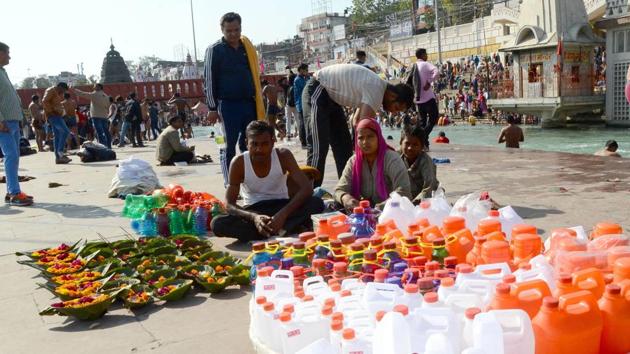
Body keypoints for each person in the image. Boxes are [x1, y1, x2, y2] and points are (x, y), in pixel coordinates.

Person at [211, 120, 324, 242]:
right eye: (254, 144)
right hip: (254, 210)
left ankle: (269, 230)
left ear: (273, 142)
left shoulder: (283, 156)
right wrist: (254, 218)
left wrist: (282, 215)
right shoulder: (238, 163)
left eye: (265, 144)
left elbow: (307, 189)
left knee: (316, 203)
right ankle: (284, 228)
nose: (259, 149)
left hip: (282, 205)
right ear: (246, 143)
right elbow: (229, 203)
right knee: (217, 224)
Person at [303, 63, 414, 187]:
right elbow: (364, 128)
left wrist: (358, 147)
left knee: (344, 147)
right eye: (396, 108)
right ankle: (310, 192)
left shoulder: (376, 88)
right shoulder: (377, 90)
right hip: (318, 88)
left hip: (332, 99)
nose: (393, 112)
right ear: (393, 96)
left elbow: (356, 121)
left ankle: (346, 189)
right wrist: (381, 150)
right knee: (319, 146)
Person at [204, 12, 262, 185]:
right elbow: (208, 79)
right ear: (222, 30)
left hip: (248, 103)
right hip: (227, 106)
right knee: (227, 146)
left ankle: (248, 180)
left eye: (236, 30)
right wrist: (212, 108)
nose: (233, 34)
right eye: (229, 31)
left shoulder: (247, 48)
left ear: (241, 28)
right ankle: (230, 182)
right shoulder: (214, 50)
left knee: (249, 143)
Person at [335, 118, 410, 211]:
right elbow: (339, 189)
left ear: (378, 137)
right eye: (360, 138)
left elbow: (404, 192)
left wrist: (378, 208)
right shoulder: (353, 161)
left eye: (370, 136)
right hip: (364, 211)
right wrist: (346, 198)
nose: (365, 142)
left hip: (390, 211)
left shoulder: (392, 159)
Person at [0, 42, 33, 206]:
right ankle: (14, 193)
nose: (9, 56)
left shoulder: (2, 72)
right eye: (7, 53)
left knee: (14, 157)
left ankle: (12, 190)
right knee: (11, 156)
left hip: (12, 121)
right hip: (3, 123)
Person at [406, 48, 439, 148]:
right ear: (422, 55)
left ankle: (424, 144)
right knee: (433, 119)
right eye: (426, 54)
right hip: (428, 98)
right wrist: (429, 82)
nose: (427, 56)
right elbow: (437, 71)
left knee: (423, 122)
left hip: (418, 100)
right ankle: (422, 137)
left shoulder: (413, 66)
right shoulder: (425, 64)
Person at [401, 125, 440, 203]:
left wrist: (412, 204)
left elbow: (428, 188)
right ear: (400, 143)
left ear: (422, 147)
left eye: (415, 145)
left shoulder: (426, 162)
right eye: (407, 143)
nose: (410, 148)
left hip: (423, 201)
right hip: (403, 199)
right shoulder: (396, 159)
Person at [73, 83, 111, 148]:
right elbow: (108, 106)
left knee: (100, 133)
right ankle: (109, 146)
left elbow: (83, 94)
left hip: (96, 116)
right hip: (104, 116)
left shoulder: (95, 94)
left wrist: (74, 90)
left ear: (99, 87)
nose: (93, 88)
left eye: (95, 86)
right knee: (106, 132)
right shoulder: (106, 96)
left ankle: (103, 147)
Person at [42, 82, 71, 163]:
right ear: (60, 87)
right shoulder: (51, 90)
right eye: (64, 90)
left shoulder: (56, 93)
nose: (63, 93)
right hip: (53, 115)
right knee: (65, 131)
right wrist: (50, 111)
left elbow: (55, 104)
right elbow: (44, 101)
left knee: (57, 136)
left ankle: (58, 158)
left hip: (57, 115)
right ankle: (60, 152)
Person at [293, 63, 309, 148]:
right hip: (301, 104)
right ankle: (303, 143)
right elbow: (306, 87)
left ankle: (307, 141)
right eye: (306, 70)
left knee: (307, 123)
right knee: (302, 123)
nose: (307, 71)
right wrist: (307, 78)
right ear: (301, 70)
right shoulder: (298, 80)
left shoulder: (305, 78)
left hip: (305, 103)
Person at [285, 74, 298, 139]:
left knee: (288, 120)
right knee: (297, 119)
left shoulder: (289, 87)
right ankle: (299, 133)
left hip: (288, 105)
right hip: (295, 105)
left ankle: (288, 134)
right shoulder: (295, 86)